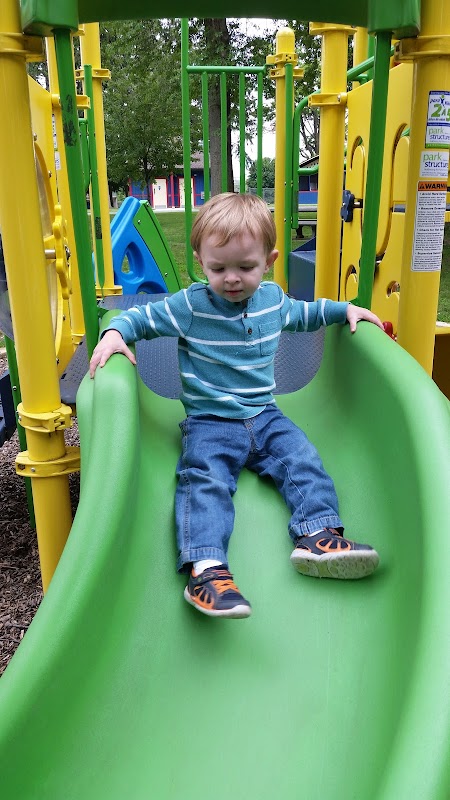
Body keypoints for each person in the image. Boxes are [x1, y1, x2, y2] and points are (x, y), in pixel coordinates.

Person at [90, 193, 383, 619]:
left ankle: (318, 536)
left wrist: (345, 310)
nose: (231, 278)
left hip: (265, 415)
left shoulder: (272, 299)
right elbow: (143, 319)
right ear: (200, 260)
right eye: (218, 267)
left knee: (302, 460)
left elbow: (305, 313)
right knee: (203, 480)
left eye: (245, 267)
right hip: (209, 422)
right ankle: (207, 571)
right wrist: (116, 332)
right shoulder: (191, 305)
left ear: (269, 260)